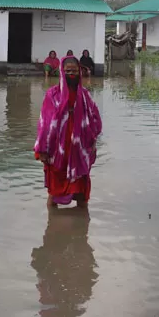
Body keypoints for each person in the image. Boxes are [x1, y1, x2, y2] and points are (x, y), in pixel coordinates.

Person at [34, 56, 102, 207]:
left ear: (80, 72)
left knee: (81, 193)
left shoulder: (85, 95)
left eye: (75, 71)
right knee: (54, 191)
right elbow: (45, 124)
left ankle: (82, 226)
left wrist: (92, 140)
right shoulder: (52, 94)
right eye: (68, 71)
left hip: (80, 149)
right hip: (59, 151)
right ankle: (53, 224)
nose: (72, 74)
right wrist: (43, 150)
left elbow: (95, 119)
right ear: (62, 73)